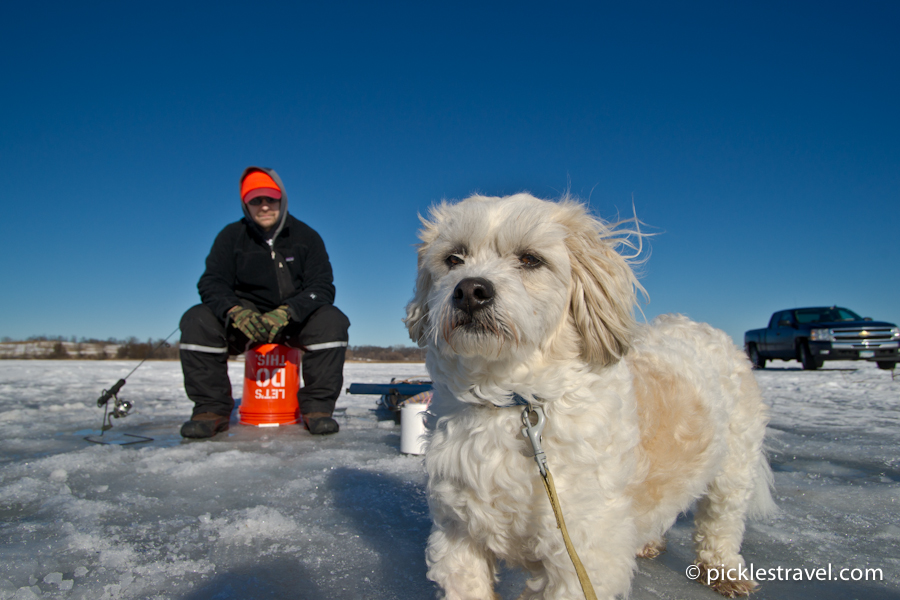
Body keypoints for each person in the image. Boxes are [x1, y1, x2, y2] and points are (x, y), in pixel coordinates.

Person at [178, 167, 350, 439]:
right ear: (246, 204)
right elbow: (211, 283)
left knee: (332, 320)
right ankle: (211, 410)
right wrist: (235, 311)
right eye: (256, 200)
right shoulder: (230, 237)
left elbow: (322, 286)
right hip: (244, 324)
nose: (265, 206)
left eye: (271, 198)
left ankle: (317, 409)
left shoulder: (307, 237)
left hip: (292, 323)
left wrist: (288, 312)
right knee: (196, 319)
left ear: (282, 200)